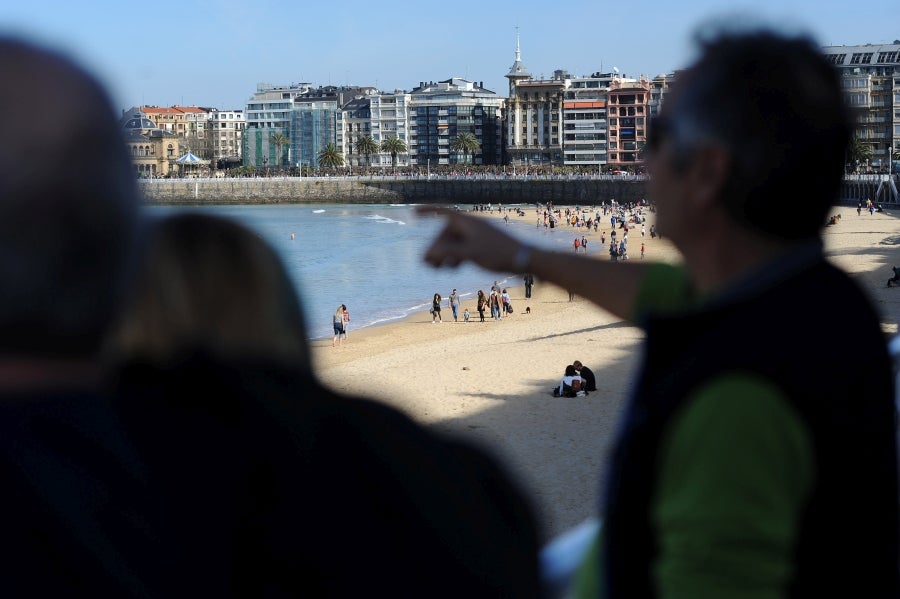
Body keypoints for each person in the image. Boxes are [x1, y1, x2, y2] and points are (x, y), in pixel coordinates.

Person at [418, 27, 898, 598]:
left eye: (657, 135)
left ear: (707, 172)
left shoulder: (739, 399)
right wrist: (519, 254)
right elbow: (662, 292)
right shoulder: (810, 299)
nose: (642, 157)